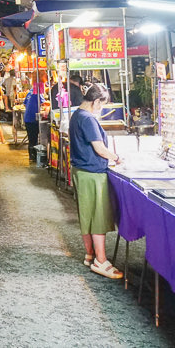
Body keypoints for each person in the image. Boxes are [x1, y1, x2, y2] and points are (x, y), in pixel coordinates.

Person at [70, 83, 123, 280]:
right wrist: (117, 158)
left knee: (86, 214)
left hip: (80, 171)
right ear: (96, 101)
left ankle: (89, 254)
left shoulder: (77, 114)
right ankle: (101, 260)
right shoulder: (88, 119)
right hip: (92, 173)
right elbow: (100, 149)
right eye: (102, 104)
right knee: (98, 216)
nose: (102, 108)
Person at [23, 87, 41, 163]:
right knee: (34, 139)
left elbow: (25, 103)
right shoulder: (38, 93)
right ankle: (33, 156)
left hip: (28, 118)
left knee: (31, 139)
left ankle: (32, 156)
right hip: (32, 118)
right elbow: (43, 103)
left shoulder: (31, 91)